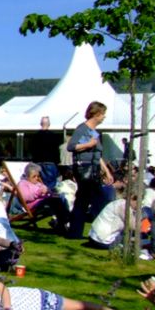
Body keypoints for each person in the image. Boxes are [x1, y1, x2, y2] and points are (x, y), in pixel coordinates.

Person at [66, 101, 113, 239]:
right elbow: (71, 146)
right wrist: (88, 144)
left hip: (93, 169)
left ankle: (76, 231)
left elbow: (97, 155)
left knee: (85, 200)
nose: (104, 117)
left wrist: (106, 170)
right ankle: (96, 231)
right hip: (84, 170)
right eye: (103, 114)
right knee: (94, 199)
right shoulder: (83, 129)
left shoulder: (95, 132)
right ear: (96, 114)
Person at [16, 162, 69, 233]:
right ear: (27, 176)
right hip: (32, 205)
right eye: (34, 176)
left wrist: (49, 192)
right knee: (54, 200)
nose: (36, 178)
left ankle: (62, 222)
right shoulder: (23, 183)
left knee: (58, 197)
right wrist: (39, 192)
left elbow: (47, 192)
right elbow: (25, 197)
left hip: (42, 202)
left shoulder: (38, 183)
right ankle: (65, 219)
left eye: (38, 176)